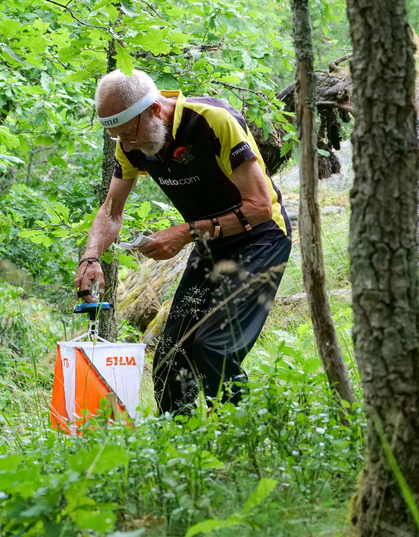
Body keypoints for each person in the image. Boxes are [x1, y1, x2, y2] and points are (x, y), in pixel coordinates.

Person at [74, 69, 292, 416]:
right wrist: (90, 258)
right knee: (169, 358)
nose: (127, 147)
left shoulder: (213, 122)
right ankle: (179, 446)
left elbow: (260, 207)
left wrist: (183, 233)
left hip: (260, 240)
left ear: (154, 110)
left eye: (129, 134)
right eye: (118, 139)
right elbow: (111, 210)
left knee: (215, 349)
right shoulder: (129, 144)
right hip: (211, 245)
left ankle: (240, 439)